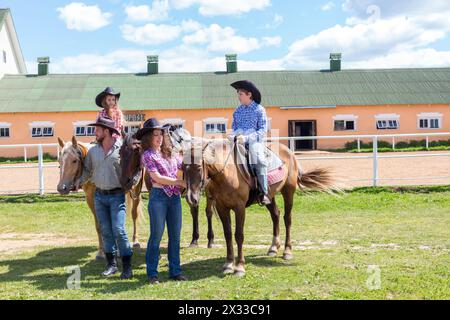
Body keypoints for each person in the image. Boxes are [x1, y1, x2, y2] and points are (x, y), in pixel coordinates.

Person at [80, 116, 133, 279]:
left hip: (117, 196)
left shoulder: (122, 150)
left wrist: (131, 184)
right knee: (106, 231)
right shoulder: (93, 151)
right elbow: (87, 171)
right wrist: (77, 182)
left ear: (107, 131)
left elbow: (132, 171)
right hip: (99, 196)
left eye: (97, 129)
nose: (94, 132)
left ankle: (127, 267)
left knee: (119, 230)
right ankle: (111, 265)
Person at [135, 118, 187, 285]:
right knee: (156, 236)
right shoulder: (148, 155)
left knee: (175, 237)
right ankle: (152, 274)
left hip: (175, 199)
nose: (158, 138)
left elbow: (182, 167)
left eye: (160, 134)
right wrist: (179, 183)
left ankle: (175, 271)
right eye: (154, 135)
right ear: (148, 138)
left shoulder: (171, 153)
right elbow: (156, 178)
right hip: (158, 198)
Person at [229, 80, 271, 205]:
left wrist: (246, 138)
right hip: (238, 141)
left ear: (249, 95)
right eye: (238, 94)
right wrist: (233, 135)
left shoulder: (259, 110)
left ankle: (264, 193)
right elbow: (234, 128)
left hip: (254, 141)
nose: (239, 97)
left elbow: (262, 131)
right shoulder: (237, 111)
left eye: (241, 94)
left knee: (259, 161)